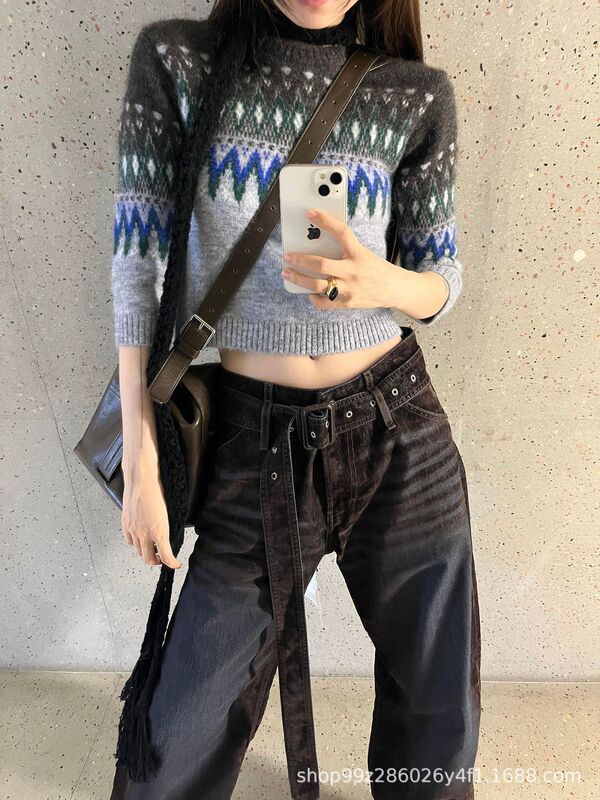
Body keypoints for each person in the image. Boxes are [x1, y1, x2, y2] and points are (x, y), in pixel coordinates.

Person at [109, 1, 481, 798]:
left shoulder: (414, 94)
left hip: (398, 426)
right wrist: (140, 457)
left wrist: (383, 282)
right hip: (255, 437)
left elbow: (441, 276)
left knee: (438, 707)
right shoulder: (178, 61)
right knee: (176, 741)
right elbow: (138, 267)